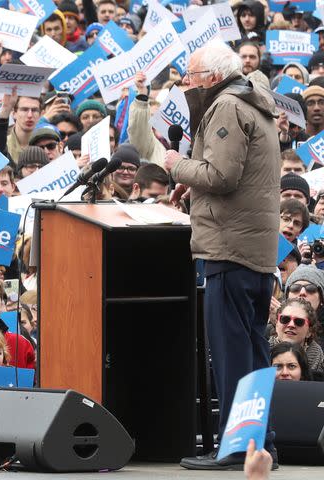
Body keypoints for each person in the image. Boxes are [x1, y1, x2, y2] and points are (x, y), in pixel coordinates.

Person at [163, 42, 280, 470]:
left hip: (229, 248)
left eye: (190, 78)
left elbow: (221, 175)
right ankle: (259, 445)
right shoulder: (256, 104)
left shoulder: (226, 107)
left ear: (212, 78)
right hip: (255, 248)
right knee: (252, 350)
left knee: (231, 352)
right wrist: (191, 183)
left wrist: (177, 165)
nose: (186, 85)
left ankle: (235, 446)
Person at [269, 298, 324, 378]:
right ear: (277, 324)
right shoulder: (257, 356)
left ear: (309, 331)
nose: (291, 325)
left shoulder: (320, 365)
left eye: (299, 321)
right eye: (285, 319)